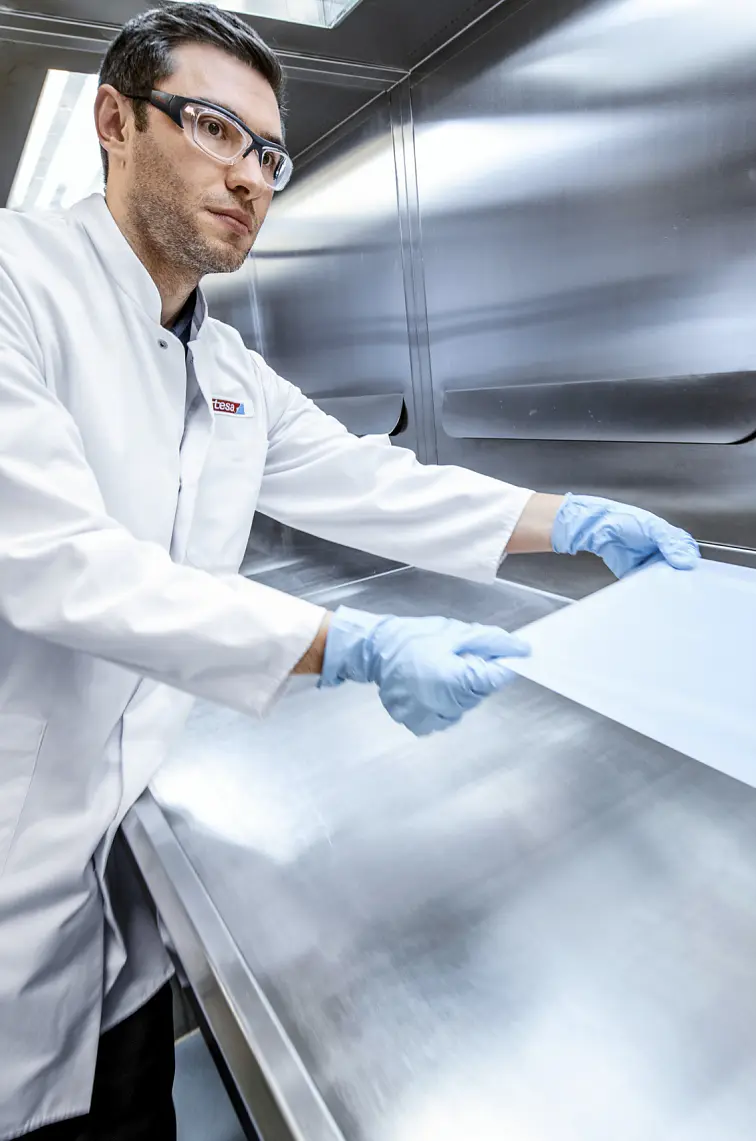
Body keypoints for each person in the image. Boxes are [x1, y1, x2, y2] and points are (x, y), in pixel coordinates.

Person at [0, 4, 700, 1137]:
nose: (250, 178)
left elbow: (370, 482)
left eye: (268, 154)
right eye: (215, 129)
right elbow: (58, 563)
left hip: (105, 912)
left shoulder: (223, 363)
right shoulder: (16, 286)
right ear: (115, 120)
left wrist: (569, 519)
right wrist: (352, 646)